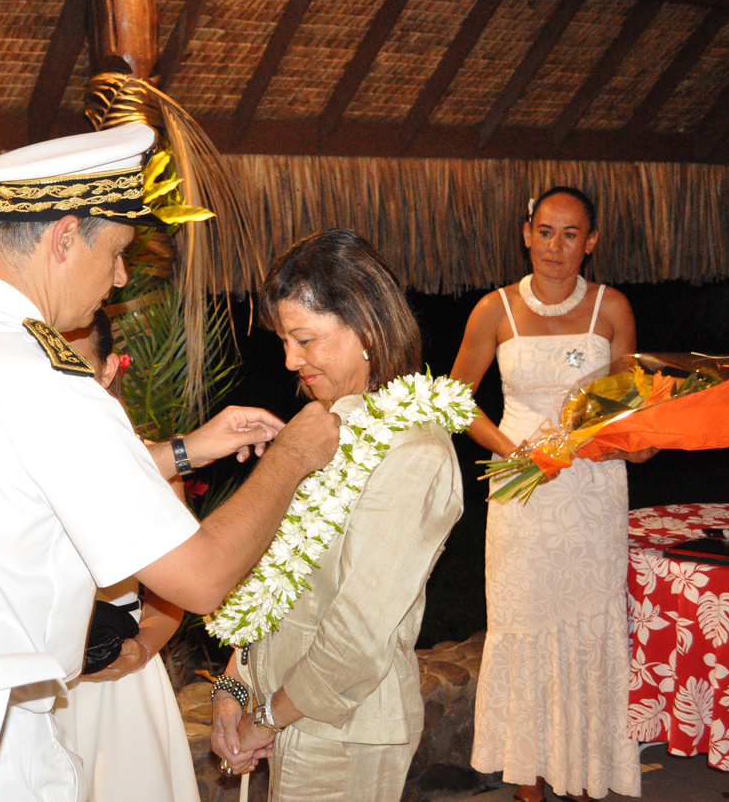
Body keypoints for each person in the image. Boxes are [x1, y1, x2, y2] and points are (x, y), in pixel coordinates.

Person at [0, 122, 341, 802]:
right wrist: (294, 458)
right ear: (65, 237)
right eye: (118, 251)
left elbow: (8, 499)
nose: (121, 277)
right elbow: (203, 578)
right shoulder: (47, 381)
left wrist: (187, 448)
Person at [210, 229, 465, 802]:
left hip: (348, 733)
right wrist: (234, 684)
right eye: (284, 340)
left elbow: (358, 633)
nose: (288, 359)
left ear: (368, 329)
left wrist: (267, 719)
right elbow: (278, 581)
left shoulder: (413, 451)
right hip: (284, 709)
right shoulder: (323, 430)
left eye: (305, 339)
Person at [453, 186, 651, 801]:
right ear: (526, 232)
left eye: (571, 234)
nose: (555, 245)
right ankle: (528, 785)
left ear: (590, 243)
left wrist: (634, 441)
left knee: (589, 629)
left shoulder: (611, 308)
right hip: (521, 492)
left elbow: (626, 405)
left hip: (592, 495)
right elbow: (453, 397)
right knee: (523, 624)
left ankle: (589, 775)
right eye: (545, 231)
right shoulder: (495, 309)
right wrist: (507, 447)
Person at [53, 310, 216, 802]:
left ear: (107, 370)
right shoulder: (10, 464)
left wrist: (141, 647)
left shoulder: (156, 463)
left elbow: (177, 592)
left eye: (75, 364)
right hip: (35, 683)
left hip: (118, 681)